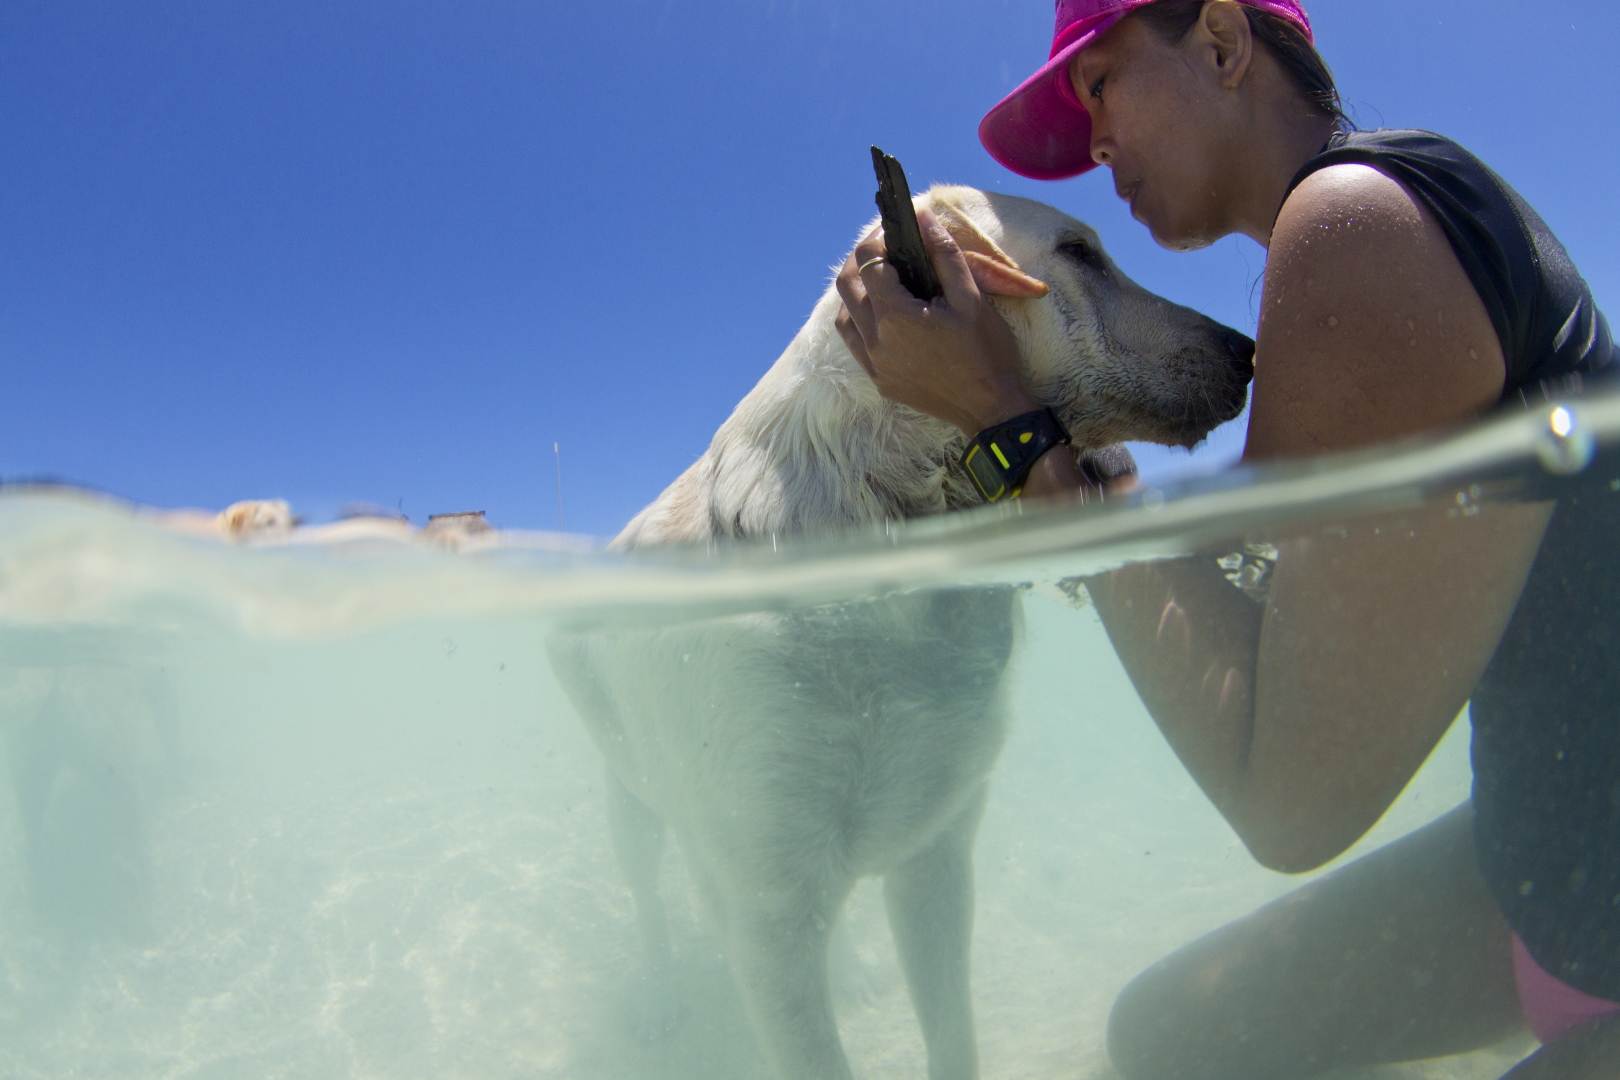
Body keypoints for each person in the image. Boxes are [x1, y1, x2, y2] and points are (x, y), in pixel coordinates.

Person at [832, 1, 1618, 1077]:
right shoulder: (1366, 237)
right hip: (1551, 877)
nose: (1094, 139)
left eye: (1101, 82)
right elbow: (1260, 611)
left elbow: (1291, 804)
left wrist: (1008, 428)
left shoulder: (1358, 225)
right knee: (1163, 1035)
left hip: (1594, 924)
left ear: (1221, 40)